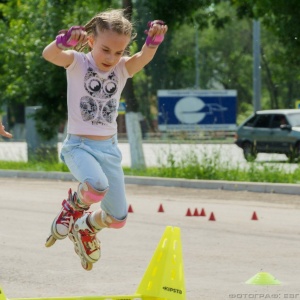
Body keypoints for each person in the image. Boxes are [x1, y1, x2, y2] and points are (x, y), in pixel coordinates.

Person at [42, 9, 167, 271]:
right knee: (96, 187)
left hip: (109, 150)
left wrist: (153, 41)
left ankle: (85, 228)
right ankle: (72, 208)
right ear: (90, 42)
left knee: (118, 217)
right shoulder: (77, 62)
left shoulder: (122, 69)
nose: (112, 58)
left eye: (119, 52)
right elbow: (49, 55)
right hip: (79, 146)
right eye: (106, 50)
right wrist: (62, 42)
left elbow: (143, 57)